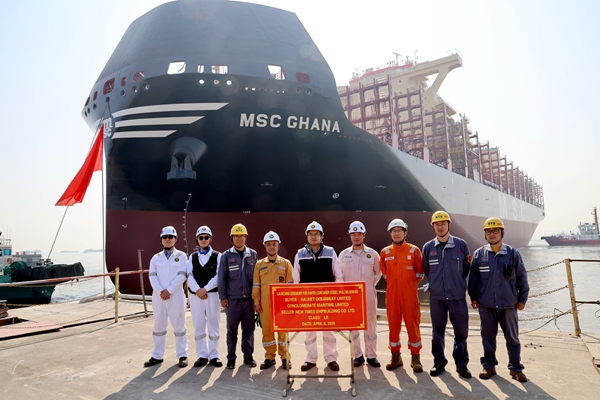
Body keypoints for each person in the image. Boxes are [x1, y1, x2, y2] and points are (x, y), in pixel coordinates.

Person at [468, 217, 529, 383]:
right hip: (486, 305)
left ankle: (516, 368)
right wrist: (473, 297)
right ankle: (489, 366)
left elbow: (522, 278)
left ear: (502, 233)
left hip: (508, 304)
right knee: (487, 337)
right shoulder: (479, 254)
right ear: (485, 234)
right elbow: (473, 279)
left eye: (495, 231)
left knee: (512, 338)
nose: (492, 234)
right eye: (488, 231)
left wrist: (522, 299)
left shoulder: (513, 254)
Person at [422, 211, 471, 378]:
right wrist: (437, 285)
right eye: (436, 224)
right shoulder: (428, 247)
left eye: (443, 223)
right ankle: (439, 362)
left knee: (461, 332)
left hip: (457, 297)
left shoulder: (461, 245)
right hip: (437, 298)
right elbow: (427, 270)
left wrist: (456, 284)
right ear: (433, 226)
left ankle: (461, 364)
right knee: (437, 332)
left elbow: (466, 269)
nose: (440, 227)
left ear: (449, 225)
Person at [293, 221, 343, 372]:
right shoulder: (300, 254)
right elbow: (296, 279)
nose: (313, 236)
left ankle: (331, 359)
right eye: (311, 234)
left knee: (329, 330)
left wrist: (337, 296)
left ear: (322, 236)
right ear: (307, 236)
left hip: (327, 298)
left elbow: (338, 276)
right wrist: (299, 299)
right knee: (309, 330)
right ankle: (310, 359)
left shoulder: (330, 252)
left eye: (316, 234)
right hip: (307, 299)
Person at [379, 218, 424, 372]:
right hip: (392, 294)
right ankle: (395, 357)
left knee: (413, 325)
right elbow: (385, 275)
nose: (396, 233)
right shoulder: (385, 252)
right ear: (390, 233)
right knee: (393, 325)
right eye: (394, 231)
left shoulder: (414, 251)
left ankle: (415, 357)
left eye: (399, 230)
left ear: (405, 232)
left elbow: (419, 273)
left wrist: (408, 284)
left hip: (409, 294)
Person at [338, 221, 382, 368]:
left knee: (371, 325)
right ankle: (357, 355)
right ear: (350, 236)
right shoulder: (343, 255)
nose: (356, 237)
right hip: (350, 296)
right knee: (353, 327)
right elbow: (339, 276)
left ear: (364, 235)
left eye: (359, 234)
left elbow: (378, 274)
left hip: (368, 295)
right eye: (353, 234)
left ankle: (372, 355)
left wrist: (368, 286)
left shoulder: (373, 254)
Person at [144, 226, 189, 368]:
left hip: (176, 296)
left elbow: (182, 275)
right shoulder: (156, 258)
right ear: (161, 239)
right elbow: (152, 276)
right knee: (159, 326)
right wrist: (161, 291)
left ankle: (182, 355)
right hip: (159, 297)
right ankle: (157, 355)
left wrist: (169, 290)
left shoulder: (182, 256)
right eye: (165, 237)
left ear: (176, 239)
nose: (167, 239)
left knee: (179, 326)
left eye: (170, 237)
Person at [218, 223, 258, 369]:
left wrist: (256, 299)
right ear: (232, 238)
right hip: (233, 300)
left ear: (246, 237)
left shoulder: (253, 255)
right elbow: (222, 278)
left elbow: (256, 279)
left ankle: (248, 357)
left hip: (248, 300)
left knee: (249, 330)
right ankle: (231, 358)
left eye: (241, 236)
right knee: (231, 331)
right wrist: (223, 297)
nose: (239, 239)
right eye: (236, 236)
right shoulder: (226, 256)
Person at [252, 231, 294, 370]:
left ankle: (285, 357)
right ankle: (270, 357)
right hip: (264, 304)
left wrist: (289, 303)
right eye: (269, 244)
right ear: (264, 246)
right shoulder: (259, 265)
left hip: (281, 304)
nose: (271, 247)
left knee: (283, 332)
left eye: (274, 244)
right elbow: (256, 285)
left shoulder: (286, 264)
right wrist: (256, 302)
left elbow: (290, 285)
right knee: (267, 332)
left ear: (278, 246)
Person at [187, 225, 223, 368]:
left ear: (210, 239)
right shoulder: (192, 257)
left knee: (214, 325)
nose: (203, 240)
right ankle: (202, 355)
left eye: (206, 237)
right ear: (197, 240)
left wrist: (205, 289)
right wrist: (198, 290)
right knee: (199, 325)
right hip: (196, 297)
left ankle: (214, 355)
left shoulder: (218, 256)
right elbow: (189, 275)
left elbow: (219, 275)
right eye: (201, 237)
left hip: (212, 295)